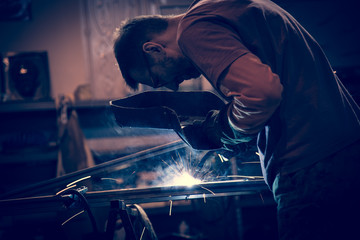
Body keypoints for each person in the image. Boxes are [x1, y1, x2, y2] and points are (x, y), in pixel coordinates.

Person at [113, 0, 360, 239]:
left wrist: (223, 130)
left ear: (154, 49)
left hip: (310, 166)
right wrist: (250, 135)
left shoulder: (193, 29)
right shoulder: (223, 10)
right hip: (339, 153)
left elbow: (261, 94)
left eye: (158, 80)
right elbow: (283, 88)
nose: (173, 87)